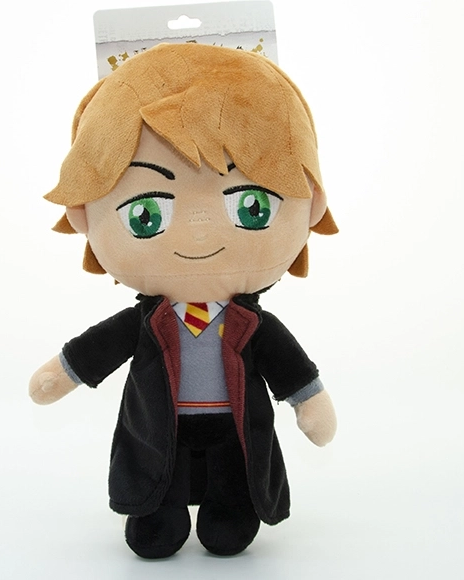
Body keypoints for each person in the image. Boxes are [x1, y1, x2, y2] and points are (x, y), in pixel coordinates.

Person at [29, 43, 338, 559]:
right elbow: (96, 350)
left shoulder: (253, 325)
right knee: (156, 485)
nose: (199, 234)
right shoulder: (144, 322)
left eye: (252, 206)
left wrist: (311, 401)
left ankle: (230, 513)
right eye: (146, 213)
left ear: (312, 203)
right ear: (84, 213)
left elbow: (290, 368)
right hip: (158, 427)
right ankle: (157, 513)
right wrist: (63, 372)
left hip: (236, 430)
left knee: (233, 497)